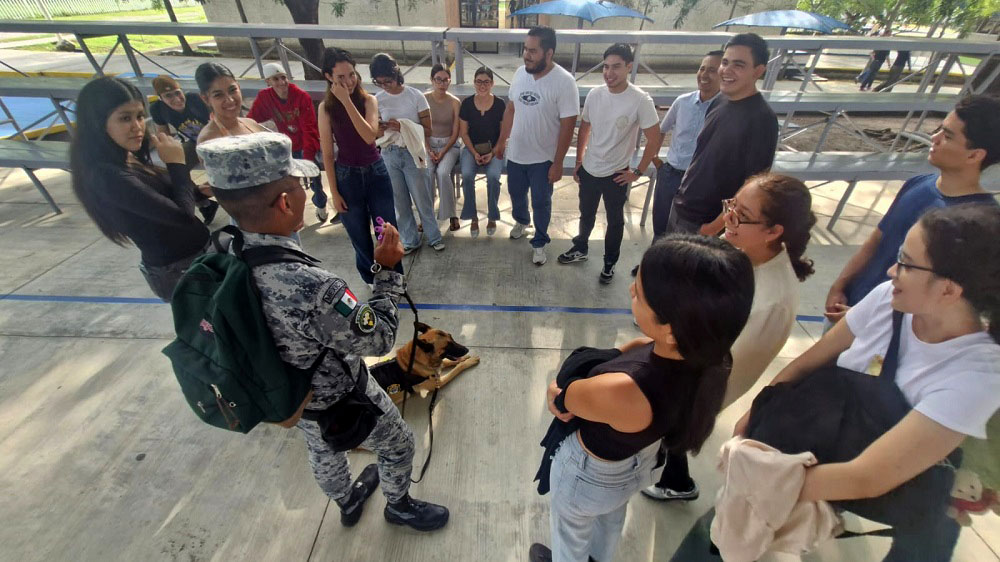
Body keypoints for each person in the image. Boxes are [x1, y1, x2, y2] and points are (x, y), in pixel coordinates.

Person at [197, 132, 451, 533]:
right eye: (300, 184)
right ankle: (399, 506)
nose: (305, 190)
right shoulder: (309, 286)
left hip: (289, 394)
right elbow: (379, 339)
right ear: (285, 202)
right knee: (399, 443)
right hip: (340, 396)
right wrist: (387, 271)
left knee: (322, 450)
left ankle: (347, 501)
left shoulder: (223, 251)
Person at [733, 203, 1000, 561]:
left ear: (949, 290)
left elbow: (869, 478)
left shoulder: (975, 376)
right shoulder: (887, 300)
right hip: (825, 453)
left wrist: (759, 480)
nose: (891, 271)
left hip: (895, 489)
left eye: (906, 264)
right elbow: (809, 362)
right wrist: (754, 417)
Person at [529, 234, 755, 562]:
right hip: (638, 461)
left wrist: (556, 389)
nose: (631, 290)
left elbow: (564, 400)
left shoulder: (626, 391)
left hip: (590, 475)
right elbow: (629, 352)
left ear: (671, 330)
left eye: (640, 291)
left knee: (571, 533)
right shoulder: (707, 359)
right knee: (610, 520)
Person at [643, 173, 817, 502]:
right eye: (731, 206)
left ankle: (675, 480)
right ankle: (675, 477)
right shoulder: (747, 250)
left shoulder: (770, 302)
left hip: (699, 384)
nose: (728, 220)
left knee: (673, 426)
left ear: (773, 231)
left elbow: (721, 367)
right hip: (693, 372)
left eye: (741, 215)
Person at [825, 95, 1000, 323]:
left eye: (947, 136)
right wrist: (839, 285)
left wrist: (866, 318)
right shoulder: (918, 183)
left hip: (884, 328)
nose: (934, 138)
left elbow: (942, 299)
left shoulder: (981, 223)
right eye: (939, 129)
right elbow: (877, 240)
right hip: (848, 308)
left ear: (975, 155)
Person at [69, 76, 209, 302]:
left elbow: (161, 201)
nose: (137, 127)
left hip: (195, 259)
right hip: (179, 271)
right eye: (125, 118)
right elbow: (182, 216)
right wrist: (177, 164)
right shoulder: (106, 176)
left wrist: (200, 192)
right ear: (97, 122)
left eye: (140, 116)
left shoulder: (126, 156)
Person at [556, 43, 660, 283]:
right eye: (606, 67)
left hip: (617, 174)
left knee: (614, 222)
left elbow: (654, 138)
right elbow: (585, 127)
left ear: (629, 67)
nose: (609, 73)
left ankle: (609, 263)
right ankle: (580, 247)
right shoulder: (595, 94)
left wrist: (637, 172)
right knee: (586, 214)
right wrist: (580, 160)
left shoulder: (640, 99)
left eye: (616, 67)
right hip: (590, 168)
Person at [669, 33, 778, 237]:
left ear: (758, 71)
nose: (726, 70)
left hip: (706, 222)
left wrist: (714, 227)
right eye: (725, 62)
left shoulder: (762, 120)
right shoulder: (720, 101)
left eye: (738, 65)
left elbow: (753, 188)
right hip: (682, 207)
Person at [318, 47, 404, 286]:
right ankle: (371, 278)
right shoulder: (326, 108)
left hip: (375, 172)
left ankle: (394, 277)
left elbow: (369, 136)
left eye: (352, 75)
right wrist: (334, 192)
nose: (348, 82)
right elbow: (327, 153)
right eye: (341, 77)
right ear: (328, 77)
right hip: (347, 176)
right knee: (359, 234)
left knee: (386, 230)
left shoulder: (369, 100)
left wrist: (347, 101)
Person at [495, 26, 580, 266]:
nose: (526, 55)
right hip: (516, 154)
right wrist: (502, 141)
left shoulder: (565, 82)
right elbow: (511, 109)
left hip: (543, 159)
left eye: (532, 51)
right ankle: (522, 221)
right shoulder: (520, 74)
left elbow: (568, 125)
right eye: (525, 49)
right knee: (516, 194)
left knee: (541, 202)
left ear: (549, 53)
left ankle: (540, 242)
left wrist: (558, 162)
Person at [371, 52, 445, 253]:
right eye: (379, 82)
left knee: (423, 199)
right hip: (389, 152)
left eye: (388, 81)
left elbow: (428, 130)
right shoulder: (377, 99)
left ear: (396, 74)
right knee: (400, 202)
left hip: (412, 152)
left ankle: (434, 236)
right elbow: (373, 133)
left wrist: (403, 126)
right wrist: (381, 128)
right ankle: (410, 239)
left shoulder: (415, 96)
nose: (385, 86)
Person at [247, 62, 338, 225]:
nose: (281, 82)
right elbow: (251, 119)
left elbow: (309, 129)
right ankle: (292, 212)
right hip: (286, 146)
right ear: (268, 81)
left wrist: (307, 158)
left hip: (305, 144)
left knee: (314, 178)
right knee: (287, 183)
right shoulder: (265, 97)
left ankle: (320, 203)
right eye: (276, 79)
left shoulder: (301, 96)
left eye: (283, 77)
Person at [458, 66, 505, 238]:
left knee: (493, 177)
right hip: (472, 148)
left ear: (492, 83)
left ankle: (492, 216)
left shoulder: (500, 104)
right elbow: (464, 133)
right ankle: (473, 217)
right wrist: (474, 153)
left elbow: (503, 134)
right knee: (467, 175)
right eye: (479, 82)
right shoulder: (467, 104)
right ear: (474, 83)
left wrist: (493, 153)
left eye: (486, 82)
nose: (482, 85)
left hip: (495, 148)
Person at [424, 63, 462, 232]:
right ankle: (427, 215)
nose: (442, 83)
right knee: (427, 172)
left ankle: (451, 214)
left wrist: (443, 151)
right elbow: (421, 128)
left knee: (443, 172)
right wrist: (429, 149)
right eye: (438, 79)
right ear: (432, 80)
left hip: (449, 145)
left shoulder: (454, 102)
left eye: (445, 80)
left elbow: (456, 132)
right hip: (428, 143)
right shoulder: (424, 99)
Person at [195, 62, 268, 144]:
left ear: (239, 87)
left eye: (233, 90)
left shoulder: (251, 124)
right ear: (206, 99)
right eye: (218, 95)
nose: (230, 100)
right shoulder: (208, 139)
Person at [148, 75, 210, 166]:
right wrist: (170, 154)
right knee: (175, 160)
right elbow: (164, 135)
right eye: (168, 96)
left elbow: (218, 121)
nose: (177, 99)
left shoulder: (195, 99)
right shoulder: (158, 109)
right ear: (161, 98)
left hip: (215, 137)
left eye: (177, 93)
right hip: (195, 143)